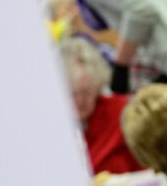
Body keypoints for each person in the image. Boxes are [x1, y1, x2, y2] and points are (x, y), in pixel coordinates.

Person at [58, 37, 143, 174]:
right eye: (73, 94)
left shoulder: (119, 111)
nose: (80, 101)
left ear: (97, 87)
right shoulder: (54, 128)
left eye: (86, 92)